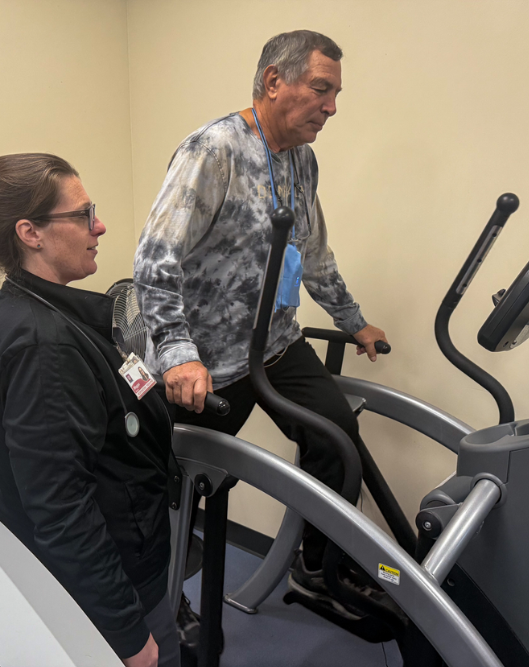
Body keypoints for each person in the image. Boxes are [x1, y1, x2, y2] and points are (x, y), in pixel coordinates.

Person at [133, 30, 392, 619]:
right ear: (274, 81)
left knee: (337, 440)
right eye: (321, 89)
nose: (331, 107)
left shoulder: (302, 160)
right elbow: (155, 259)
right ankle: (156, 608)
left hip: (274, 346)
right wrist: (176, 353)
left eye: (336, 94)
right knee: (173, 489)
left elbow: (313, 253)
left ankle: (316, 568)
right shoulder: (214, 150)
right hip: (205, 362)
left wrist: (354, 322)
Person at [0, 153, 179, 667]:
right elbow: (62, 511)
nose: (100, 226)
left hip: (117, 562)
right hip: (106, 588)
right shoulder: (42, 346)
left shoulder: (42, 313)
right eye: (83, 214)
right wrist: (127, 634)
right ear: (31, 233)